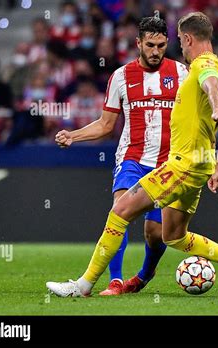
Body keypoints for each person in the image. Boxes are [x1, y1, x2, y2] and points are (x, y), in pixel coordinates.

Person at [46, 12, 218, 300]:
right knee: (173, 234)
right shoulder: (213, 67)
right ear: (139, 43)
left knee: (120, 211)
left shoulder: (200, 66)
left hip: (180, 164)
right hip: (189, 164)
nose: (169, 49)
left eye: (172, 43)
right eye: (150, 45)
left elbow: (210, 84)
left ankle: (83, 285)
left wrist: (214, 106)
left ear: (187, 39)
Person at [51, 17, 188, 296]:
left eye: (161, 45)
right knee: (119, 211)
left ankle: (145, 274)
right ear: (138, 43)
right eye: (149, 45)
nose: (155, 51)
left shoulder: (183, 74)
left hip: (168, 164)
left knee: (155, 233)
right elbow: (105, 125)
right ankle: (114, 280)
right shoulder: (121, 77)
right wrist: (73, 136)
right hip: (132, 159)